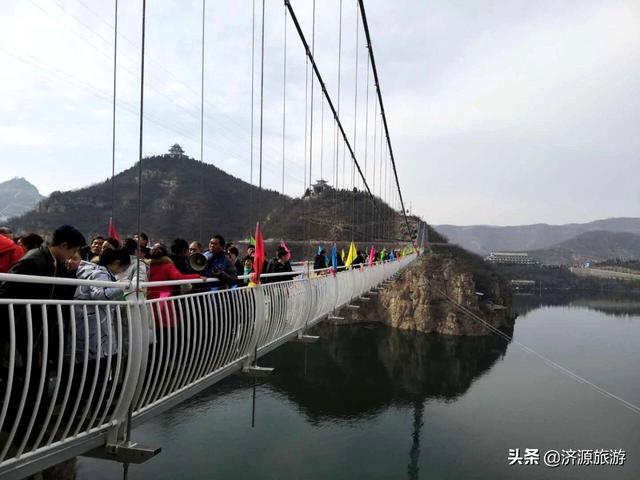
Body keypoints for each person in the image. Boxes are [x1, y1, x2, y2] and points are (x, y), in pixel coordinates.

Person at [73, 248, 131, 362]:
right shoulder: (100, 273)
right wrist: (122, 286)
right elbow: (99, 294)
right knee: (97, 362)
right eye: (123, 268)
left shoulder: (91, 270)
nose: (122, 271)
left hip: (86, 321)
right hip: (95, 325)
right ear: (116, 263)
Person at [147, 244, 202, 327]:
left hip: (150, 299)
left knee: (153, 325)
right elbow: (179, 277)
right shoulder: (168, 266)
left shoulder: (148, 266)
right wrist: (197, 276)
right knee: (167, 326)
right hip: (164, 301)